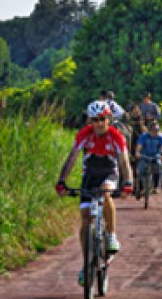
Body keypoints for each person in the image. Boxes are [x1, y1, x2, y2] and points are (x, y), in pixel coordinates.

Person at [55, 101, 133, 286]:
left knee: (106, 194)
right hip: (89, 176)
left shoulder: (116, 136)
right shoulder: (84, 135)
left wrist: (128, 182)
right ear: (90, 120)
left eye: (103, 119)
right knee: (85, 218)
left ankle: (111, 235)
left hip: (109, 173)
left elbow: (124, 163)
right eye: (95, 120)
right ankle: (86, 264)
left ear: (109, 119)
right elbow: (71, 158)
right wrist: (61, 181)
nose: (99, 123)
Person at [135, 121, 162, 195]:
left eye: (158, 130)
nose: (156, 132)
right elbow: (139, 147)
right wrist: (137, 153)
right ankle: (141, 188)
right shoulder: (143, 136)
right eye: (154, 130)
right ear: (149, 130)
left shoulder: (161, 137)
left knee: (158, 167)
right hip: (144, 156)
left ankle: (155, 187)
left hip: (156, 156)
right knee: (140, 170)